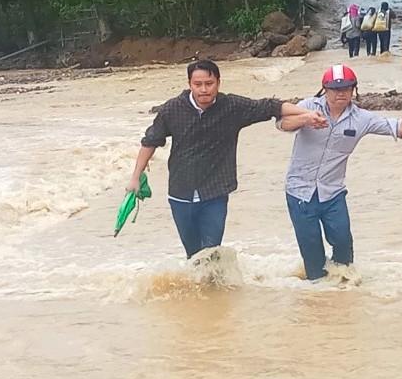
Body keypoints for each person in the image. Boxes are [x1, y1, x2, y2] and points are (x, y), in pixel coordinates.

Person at [127, 60, 326, 259]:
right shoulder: (173, 109)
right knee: (193, 255)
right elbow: (151, 141)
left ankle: (213, 286)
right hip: (181, 193)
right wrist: (135, 177)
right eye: (198, 84)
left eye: (209, 83)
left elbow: (270, 106)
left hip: (215, 193)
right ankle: (203, 288)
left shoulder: (231, 107)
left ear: (218, 83)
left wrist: (307, 113)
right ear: (189, 84)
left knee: (212, 250)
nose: (204, 89)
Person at [278, 65, 402, 281]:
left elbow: (394, 126)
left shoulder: (360, 118)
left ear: (354, 90)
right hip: (299, 192)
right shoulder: (307, 106)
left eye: (346, 88)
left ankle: (344, 290)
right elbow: (282, 123)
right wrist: (305, 119)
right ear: (325, 89)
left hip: (333, 193)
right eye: (334, 89)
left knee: (343, 241)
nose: (340, 93)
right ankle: (317, 297)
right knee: (311, 249)